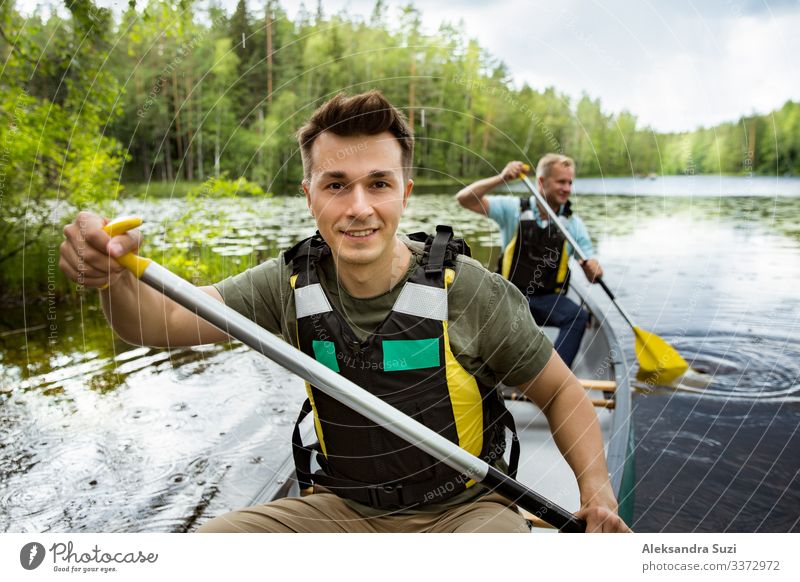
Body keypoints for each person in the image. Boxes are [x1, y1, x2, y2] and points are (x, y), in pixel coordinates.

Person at [59, 92, 628, 533]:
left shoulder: (471, 291)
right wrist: (112, 278)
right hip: (339, 509)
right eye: (337, 184)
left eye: (378, 183)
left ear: (405, 192)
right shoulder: (285, 285)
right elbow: (155, 322)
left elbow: (558, 392)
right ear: (310, 196)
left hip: (465, 512)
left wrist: (596, 494)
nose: (359, 207)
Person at [456, 156, 604, 368]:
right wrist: (502, 178)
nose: (567, 188)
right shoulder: (512, 209)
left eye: (570, 182)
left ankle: (554, 378)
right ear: (541, 182)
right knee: (476, 308)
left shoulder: (573, 224)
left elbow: (592, 271)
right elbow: (464, 199)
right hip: (509, 297)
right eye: (561, 182)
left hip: (547, 300)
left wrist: (595, 269)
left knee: (578, 317)